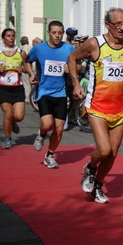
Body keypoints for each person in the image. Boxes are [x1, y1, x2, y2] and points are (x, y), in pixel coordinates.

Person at [68, 7, 123, 204]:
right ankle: (90, 167)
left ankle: (97, 186)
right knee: (103, 150)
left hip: (120, 109)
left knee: (112, 153)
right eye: (117, 24)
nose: (122, 28)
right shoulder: (95, 44)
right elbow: (72, 58)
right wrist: (76, 84)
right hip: (97, 106)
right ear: (107, 24)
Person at [24, 21, 75, 168]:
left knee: (59, 129)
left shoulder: (69, 49)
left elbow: (77, 65)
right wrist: (32, 74)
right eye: (54, 33)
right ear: (49, 33)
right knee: (47, 124)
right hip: (44, 92)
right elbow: (27, 61)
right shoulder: (39, 49)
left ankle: (50, 155)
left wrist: (70, 69)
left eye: (60, 33)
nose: (57, 36)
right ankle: (41, 133)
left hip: (61, 93)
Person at [0, 29, 27, 149]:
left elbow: (27, 67)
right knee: (8, 113)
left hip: (17, 88)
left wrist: (24, 70)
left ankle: (12, 122)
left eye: (13, 36)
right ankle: (7, 138)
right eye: (8, 36)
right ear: (3, 38)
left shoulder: (21, 52)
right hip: (3, 88)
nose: (11, 38)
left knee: (19, 116)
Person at [20, 36, 32, 102]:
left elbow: (25, 58)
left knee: (26, 83)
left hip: (26, 67)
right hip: (31, 67)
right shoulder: (30, 47)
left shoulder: (24, 48)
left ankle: (28, 97)